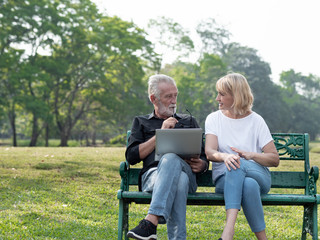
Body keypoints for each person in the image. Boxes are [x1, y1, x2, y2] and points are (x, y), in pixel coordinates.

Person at [125, 74, 209, 240]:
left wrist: (203, 165)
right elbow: (132, 157)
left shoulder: (189, 121)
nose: (173, 101)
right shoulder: (141, 122)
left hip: (189, 174)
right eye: (168, 96)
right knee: (180, 181)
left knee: (172, 161)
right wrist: (161, 134)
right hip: (153, 177)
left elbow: (204, 156)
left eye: (175, 95)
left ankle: (150, 222)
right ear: (153, 99)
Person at [204, 73, 279, 240]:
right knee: (248, 185)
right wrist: (224, 157)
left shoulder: (256, 120)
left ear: (236, 96)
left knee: (240, 165)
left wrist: (251, 155)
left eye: (222, 94)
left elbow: (274, 159)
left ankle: (228, 232)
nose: (217, 98)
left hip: (260, 176)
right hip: (225, 180)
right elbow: (210, 152)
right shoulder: (213, 119)